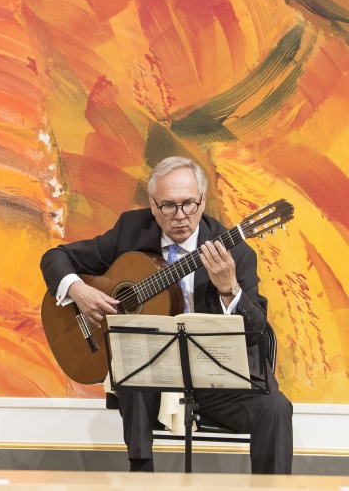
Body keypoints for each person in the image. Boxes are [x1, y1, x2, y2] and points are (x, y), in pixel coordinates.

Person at [40, 156, 293, 474]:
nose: (181, 216)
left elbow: (257, 330)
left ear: (202, 201)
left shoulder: (238, 253)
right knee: (134, 369)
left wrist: (230, 290)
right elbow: (56, 257)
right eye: (168, 206)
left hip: (217, 382)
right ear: (152, 203)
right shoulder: (130, 231)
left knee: (276, 407)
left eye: (189, 204)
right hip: (149, 381)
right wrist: (78, 290)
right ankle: (142, 476)